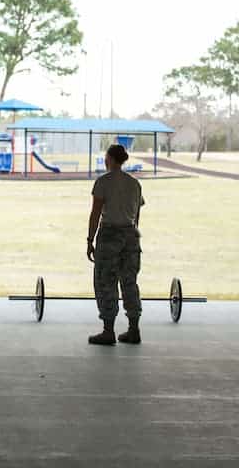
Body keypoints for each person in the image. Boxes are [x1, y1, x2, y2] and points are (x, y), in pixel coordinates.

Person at [86, 144, 145, 345]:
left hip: (110, 235)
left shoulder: (103, 182)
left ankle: (108, 330)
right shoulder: (134, 184)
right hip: (130, 235)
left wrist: (90, 240)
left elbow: (95, 213)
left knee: (105, 282)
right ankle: (133, 328)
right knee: (129, 282)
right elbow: (137, 215)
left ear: (110, 159)